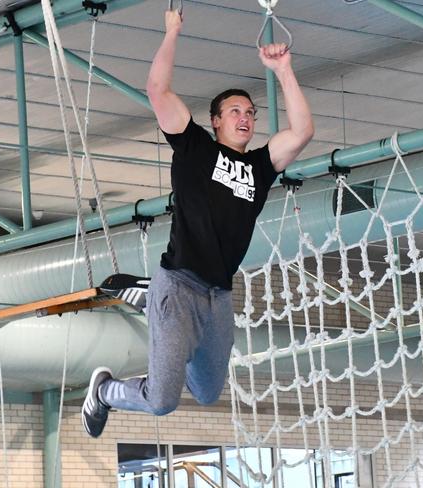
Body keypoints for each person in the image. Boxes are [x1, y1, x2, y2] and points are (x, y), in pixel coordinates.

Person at [82, 8, 314, 438]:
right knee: (162, 401)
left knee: (207, 393)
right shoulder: (196, 149)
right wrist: (171, 31)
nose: (245, 117)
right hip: (181, 283)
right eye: (234, 111)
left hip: (219, 296)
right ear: (216, 120)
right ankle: (105, 391)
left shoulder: (261, 168)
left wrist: (283, 69)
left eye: (250, 112)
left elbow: (301, 131)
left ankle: (152, 305)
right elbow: (157, 88)